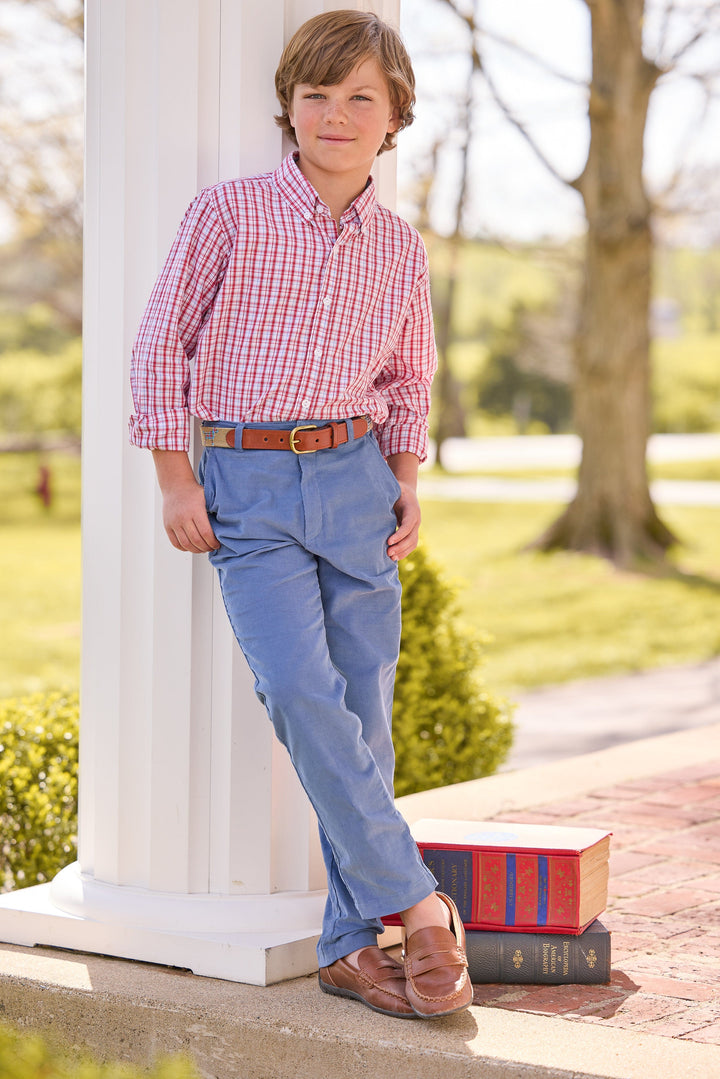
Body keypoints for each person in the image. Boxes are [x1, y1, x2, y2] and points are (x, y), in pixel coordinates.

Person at [129, 9, 472, 1019]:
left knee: (363, 712)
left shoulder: (401, 247)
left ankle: (345, 944)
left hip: (360, 478)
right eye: (317, 94)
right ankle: (418, 901)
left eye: (360, 95)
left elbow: (411, 375)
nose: (336, 113)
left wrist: (408, 472)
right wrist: (174, 481)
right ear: (288, 105)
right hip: (250, 485)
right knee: (298, 690)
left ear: (394, 113)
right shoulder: (227, 213)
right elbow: (161, 348)